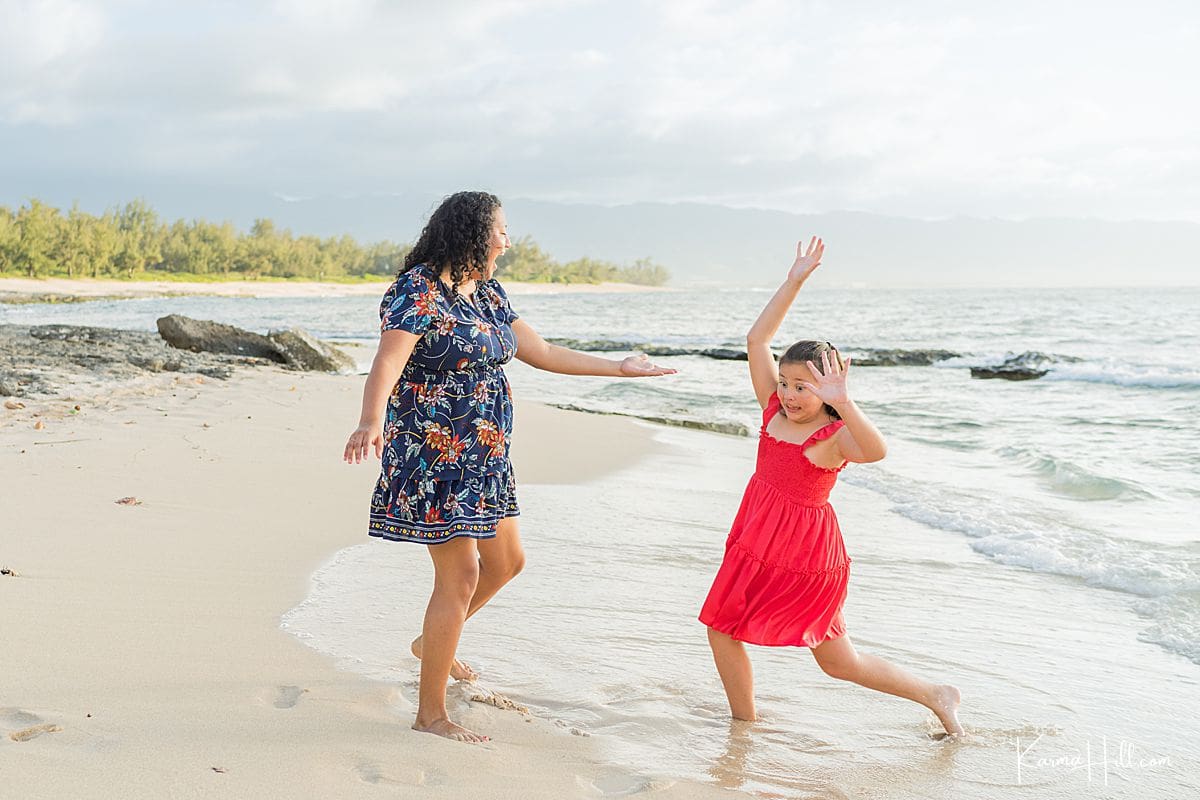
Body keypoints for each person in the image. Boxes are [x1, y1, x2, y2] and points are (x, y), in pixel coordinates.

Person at [344, 191, 675, 743]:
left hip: (487, 455)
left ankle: (432, 644)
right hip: (436, 454)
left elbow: (543, 353)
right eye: (501, 230)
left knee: (507, 562)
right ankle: (430, 714)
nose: (507, 241)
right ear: (474, 234)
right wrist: (369, 420)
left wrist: (620, 367)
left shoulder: (489, 293)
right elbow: (388, 360)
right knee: (461, 575)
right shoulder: (417, 290)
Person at [698, 237, 964, 736]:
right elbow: (757, 340)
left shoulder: (833, 436)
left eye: (803, 387)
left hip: (805, 558)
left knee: (837, 662)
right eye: (785, 382)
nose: (789, 393)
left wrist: (845, 402)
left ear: (827, 390)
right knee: (721, 629)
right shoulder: (773, 411)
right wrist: (794, 280)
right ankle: (743, 725)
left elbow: (877, 451)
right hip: (756, 543)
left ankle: (935, 694)